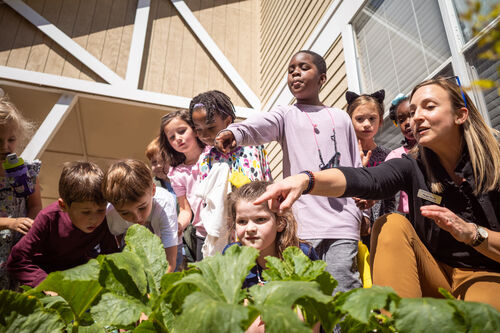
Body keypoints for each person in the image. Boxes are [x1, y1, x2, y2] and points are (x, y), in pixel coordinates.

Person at [254, 77, 500, 311]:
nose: (417, 117)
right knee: (390, 223)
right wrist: (306, 180)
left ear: (460, 115)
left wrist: (471, 233)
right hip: (433, 272)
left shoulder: (495, 166)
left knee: (481, 318)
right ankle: (394, 322)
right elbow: (366, 179)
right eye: (414, 111)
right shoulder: (411, 165)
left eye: (429, 107)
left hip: (483, 274)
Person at [216, 50, 363, 293]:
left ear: (323, 78)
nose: (295, 72)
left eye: (304, 67)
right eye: (291, 69)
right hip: (304, 226)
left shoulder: (341, 118)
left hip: (343, 223)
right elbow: (258, 125)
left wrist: (363, 211)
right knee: (306, 295)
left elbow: (354, 166)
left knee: (343, 293)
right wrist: (235, 133)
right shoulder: (286, 115)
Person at [7, 162, 118, 288]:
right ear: (63, 206)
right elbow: (17, 259)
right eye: (86, 212)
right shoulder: (48, 218)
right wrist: (46, 285)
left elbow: (113, 257)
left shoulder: (104, 220)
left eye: (100, 210)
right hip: (44, 280)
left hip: (75, 278)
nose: (95, 219)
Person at [224, 181, 318, 288]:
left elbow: (317, 297)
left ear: (280, 222)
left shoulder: (301, 255)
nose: (250, 229)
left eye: (260, 219)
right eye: (242, 221)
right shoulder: (232, 255)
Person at [104, 159, 178, 272]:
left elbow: (170, 261)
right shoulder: (112, 213)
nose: (137, 218)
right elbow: (119, 240)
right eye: (124, 213)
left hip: (167, 245)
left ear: (153, 190)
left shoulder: (164, 204)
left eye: (142, 207)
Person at [0, 94, 42, 290]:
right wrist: (11, 223)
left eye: (11, 139)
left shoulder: (27, 171)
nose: (4, 146)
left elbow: (35, 205)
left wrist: (27, 225)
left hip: (17, 249)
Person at [345, 89, 394, 246]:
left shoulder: (389, 155)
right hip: (352, 231)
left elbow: (394, 196)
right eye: (360, 119)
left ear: (380, 121)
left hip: (385, 229)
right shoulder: (344, 156)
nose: (367, 124)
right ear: (350, 122)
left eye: (372, 119)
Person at [190, 90, 272, 182]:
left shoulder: (253, 147)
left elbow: (267, 180)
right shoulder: (205, 161)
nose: (204, 135)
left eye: (211, 127)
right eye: (199, 129)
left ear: (228, 122)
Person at [160, 110, 206, 261]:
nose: (178, 139)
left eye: (182, 131)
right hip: (203, 234)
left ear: (195, 130)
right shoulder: (177, 173)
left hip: (228, 229)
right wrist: (178, 225)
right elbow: (186, 210)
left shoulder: (214, 154)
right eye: (172, 137)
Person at [385, 93, 417, 215]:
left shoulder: (434, 147)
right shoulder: (396, 156)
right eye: (402, 120)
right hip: (411, 217)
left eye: (411, 115)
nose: (407, 123)